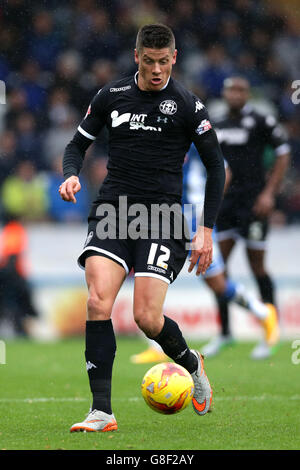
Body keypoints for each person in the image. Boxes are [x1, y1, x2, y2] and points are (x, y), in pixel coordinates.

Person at [59, 24, 225, 432]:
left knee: (147, 318)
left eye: (163, 62)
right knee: (99, 301)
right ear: (137, 57)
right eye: (148, 61)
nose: (156, 70)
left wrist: (206, 229)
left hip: (163, 219)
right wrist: (71, 174)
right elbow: (77, 144)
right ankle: (102, 412)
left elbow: (216, 166)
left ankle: (191, 362)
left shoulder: (188, 105)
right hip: (114, 211)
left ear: (174, 58)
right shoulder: (111, 96)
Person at [131, 143, 279, 364]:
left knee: (217, 284)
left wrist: (207, 207)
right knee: (153, 276)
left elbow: (224, 171)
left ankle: (264, 314)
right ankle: (156, 346)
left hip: (194, 218)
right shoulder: (158, 133)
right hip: (166, 215)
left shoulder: (193, 138)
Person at [207, 76, 290, 359]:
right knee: (218, 269)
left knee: (258, 268)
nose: (235, 94)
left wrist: (269, 193)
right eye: (231, 89)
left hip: (254, 203)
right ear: (224, 93)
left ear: (248, 94)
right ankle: (225, 333)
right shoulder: (215, 123)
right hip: (225, 204)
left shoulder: (261, 120)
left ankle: (271, 331)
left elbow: (283, 153)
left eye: (241, 90)